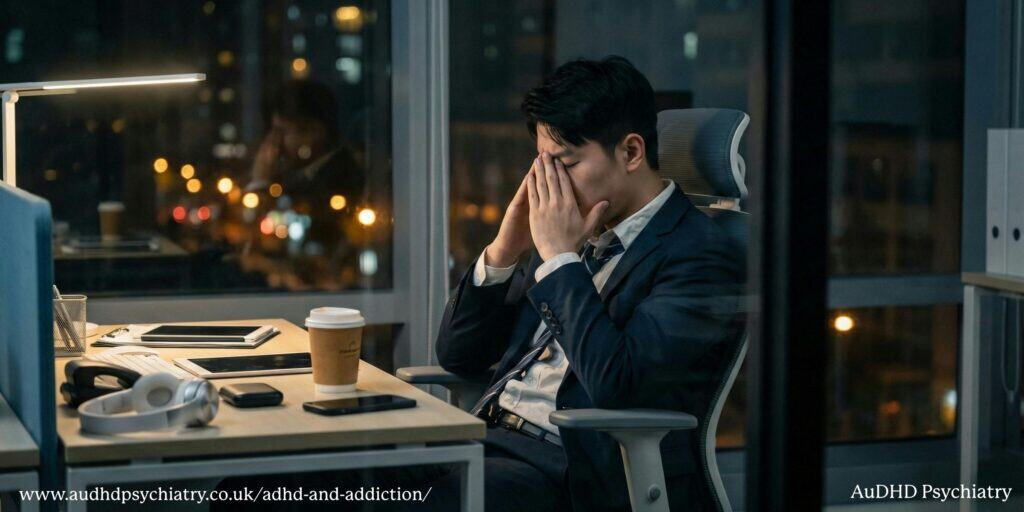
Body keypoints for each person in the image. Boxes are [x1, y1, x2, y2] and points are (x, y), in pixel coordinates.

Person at [215, 55, 743, 511]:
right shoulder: (583, 225)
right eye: (542, 166)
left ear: (630, 153)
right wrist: (505, 249)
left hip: (569, 470)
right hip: (486, 439)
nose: (548, 185)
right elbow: (460, 354)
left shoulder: (697, 252)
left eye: (566, 164)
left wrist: (559, 258)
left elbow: (620, 386)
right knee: (265, 484)